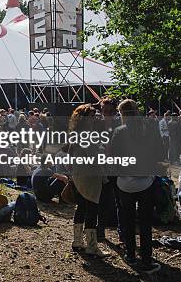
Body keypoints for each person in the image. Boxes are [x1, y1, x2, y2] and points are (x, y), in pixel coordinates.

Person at [111, 99, 162, 274]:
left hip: (124, 182)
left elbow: (112, 157)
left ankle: (130, 254)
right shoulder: (150, 127)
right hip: (146, 180)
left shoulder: (119, 131)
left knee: (127, 220)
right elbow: (160, 152)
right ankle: (147, 259)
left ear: (122, 113)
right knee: (146, 223)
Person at [69, 104, 107, 256]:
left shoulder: (75, 134)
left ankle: (77, 241)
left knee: (81, 207)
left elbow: (70, 155)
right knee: (92, 209)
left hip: (78, 174)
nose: (94, 118)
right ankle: (92, 246)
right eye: (91, 116)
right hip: (90, 176)